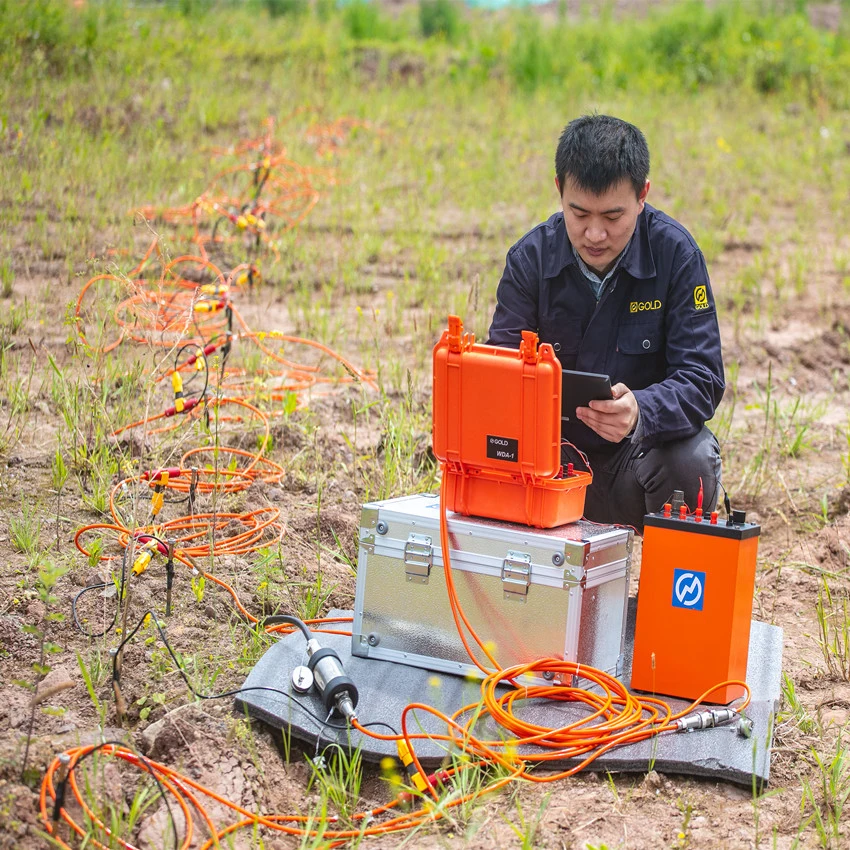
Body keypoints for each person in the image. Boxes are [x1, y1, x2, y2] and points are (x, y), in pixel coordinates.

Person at [487, 114, 724, 530]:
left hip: (637, 462)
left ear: (642, 196)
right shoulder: (530, 260)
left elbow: (703, 377)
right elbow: (500, 375)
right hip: (551, 468)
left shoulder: (676, 256)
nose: (595, 234)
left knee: (692, 458)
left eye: (613, 217)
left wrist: (641, 412)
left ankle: (664, 592)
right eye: (579, 214)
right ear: (559, 189)